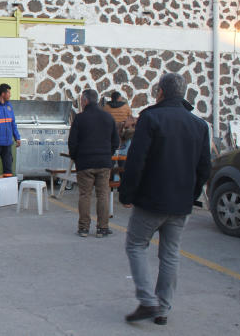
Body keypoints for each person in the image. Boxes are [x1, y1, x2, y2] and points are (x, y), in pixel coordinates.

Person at [120, 73, 210, 326]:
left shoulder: (151, 118)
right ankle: (163, 309)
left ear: (160, 92)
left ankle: (148, 300)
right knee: (170, 254)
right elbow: (204, 168)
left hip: (151, 200)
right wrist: (190, 196)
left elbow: (136, 161)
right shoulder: (199, 125)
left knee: (136, 245)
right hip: (180, 204)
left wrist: (126, 194)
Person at [68, 89, 120, 238]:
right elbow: (116, 142)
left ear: (85, 101)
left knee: (85, 195)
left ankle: (84, 228)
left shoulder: (79, 118)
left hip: (85, 163)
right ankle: (102, 228)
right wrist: (107, 154)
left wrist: (76, 157)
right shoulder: (108, 117)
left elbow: (72, 142)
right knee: (103, 195)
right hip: (104, 162)